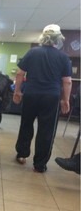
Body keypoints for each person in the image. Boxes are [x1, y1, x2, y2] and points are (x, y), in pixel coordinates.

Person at [13, 24, 72, 173]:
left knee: (26, 124)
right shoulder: (63, 57)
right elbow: (67, 81)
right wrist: (66, 100)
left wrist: (17, 91)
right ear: (58, 39)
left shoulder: (32, 52)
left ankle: (22, 154)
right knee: (47, 130)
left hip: (31, 94)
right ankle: (39, 164)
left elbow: (20, 73)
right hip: (51, 97)